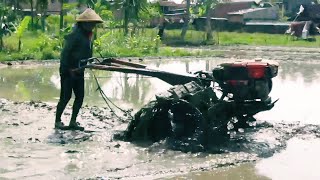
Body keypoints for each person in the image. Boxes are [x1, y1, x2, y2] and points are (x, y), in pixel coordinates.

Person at [55, 8, 103, 131]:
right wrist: (69, 69)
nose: (92, 26)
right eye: (90, 23)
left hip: (79, 70)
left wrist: (90, 61)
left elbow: (86, 53)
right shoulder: (74, 35)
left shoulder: (88, 36)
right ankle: (58, 121)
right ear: (83, 24)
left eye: (93, 23)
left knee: (80, 96)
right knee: (65, 96)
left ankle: (73, 122)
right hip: (68, 70)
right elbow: (65, 54)